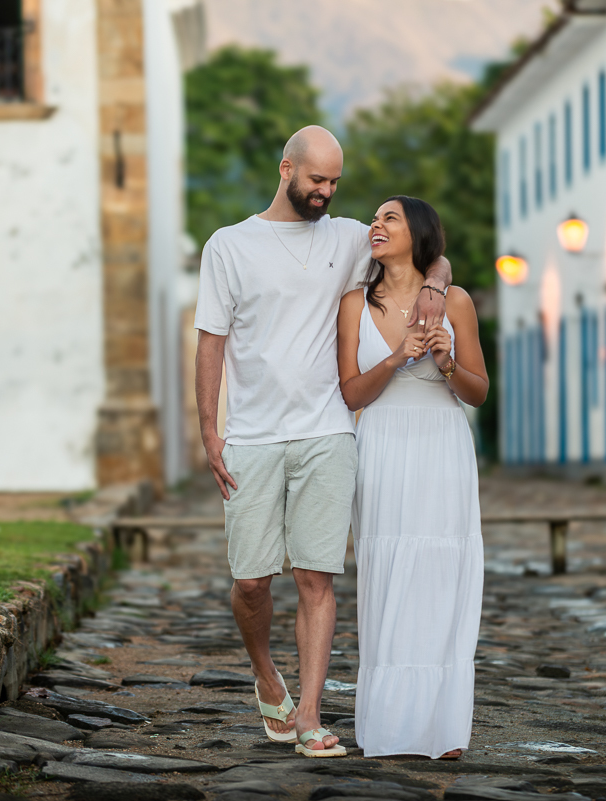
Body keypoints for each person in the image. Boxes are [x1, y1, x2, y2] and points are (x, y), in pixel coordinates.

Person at [193, 127, 452, 757]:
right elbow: (211, 342)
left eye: (335, 182)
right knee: (252, 582)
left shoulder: (347, 238)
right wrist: (209, 430)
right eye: (317, 180)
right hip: (253, 435)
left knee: (316, 577)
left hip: (329, 431)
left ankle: (309, 714)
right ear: (287, 169)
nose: (327, 193)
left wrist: (435, 286)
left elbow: (429, 250)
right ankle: (266, 675)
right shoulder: (230, 245)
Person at [337, 196, 488, 760]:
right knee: (387, 575)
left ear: (418, 233)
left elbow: (478, 390)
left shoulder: (457, 302)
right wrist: (398, 356)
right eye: (375, 219)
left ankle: (441, 726)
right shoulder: (353, 304)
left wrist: (447, 364)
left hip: (442, 445)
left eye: (389, 218)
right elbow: (351, 393)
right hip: (380, 445)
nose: (376, 225)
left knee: (441, 575)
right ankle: (391, 724)